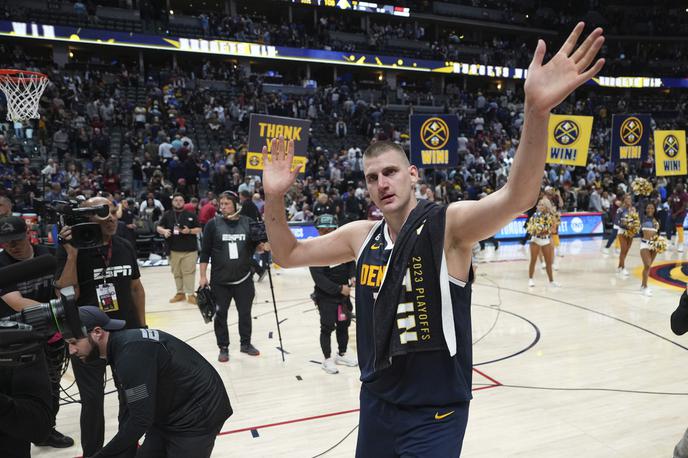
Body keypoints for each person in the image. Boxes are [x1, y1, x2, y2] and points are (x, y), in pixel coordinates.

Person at [262, 22, 604, 456]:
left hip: (435, 413)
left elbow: (519, 196)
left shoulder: (448, 226)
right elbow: (287, 254)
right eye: (372, 178)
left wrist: (536, 113)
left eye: (390, 172)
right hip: (378, 403)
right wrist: (273, 198)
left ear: (413, 175)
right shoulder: (359, 237)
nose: (382, 183)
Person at [65, 306, 232, 458]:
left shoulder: (130, 357)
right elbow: (129, 408)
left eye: (74, 342)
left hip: (197, 416)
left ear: (97, 332)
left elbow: (140, 420)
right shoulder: (120, 347)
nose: (72, 351)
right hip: (168, 412)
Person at [54, 196, 147, 457]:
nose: (112, 218)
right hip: (87, 337)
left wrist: (141, 326)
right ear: (88, 219)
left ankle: (128, 449)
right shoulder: (73, 248)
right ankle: (93, 453)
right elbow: (67, 291)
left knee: (130, 396)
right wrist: (71, 255)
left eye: (113, 212)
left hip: (123, 332)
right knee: (92, 401)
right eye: (103, 214)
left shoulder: (125, 245)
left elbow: (136, 288)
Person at [0, 216, 74, 449]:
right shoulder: (2, 264)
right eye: (6, 241)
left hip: (50, 333)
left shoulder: (47, 254)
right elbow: (16, 302)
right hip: (14, 341)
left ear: (29, 234)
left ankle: (46, 430)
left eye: (17, 240)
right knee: (18, 392)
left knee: (51, 386)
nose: (12, 245)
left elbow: (64, 287)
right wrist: (56, 315)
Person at [200, 191, 262, 362]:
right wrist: (203, 276)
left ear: (236, 205)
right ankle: (223, 347)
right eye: (221, 204)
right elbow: (205, 253)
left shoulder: (248, 223)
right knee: (220, 315)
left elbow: (257, 246)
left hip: (244, 279)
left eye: (227, 203)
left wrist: (264, 246)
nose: (223, 207)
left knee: (245, 313)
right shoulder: (212, 225)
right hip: (220, 281)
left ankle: (246, 344)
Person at [308, 214, 357, 374]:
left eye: (330, 229)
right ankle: (327, 359)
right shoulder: (314, 250)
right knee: (327, 327)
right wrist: (339, 289)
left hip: (343, 298)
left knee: (344, 325)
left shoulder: (342, 246)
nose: (327, 232)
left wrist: (353, 275)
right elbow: (319, 279)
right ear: (318, 230)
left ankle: (341, 354)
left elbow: (350, 262)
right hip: (326, 298)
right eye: (323, 230)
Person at [156, 193, 201, 304]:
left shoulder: (191, 214)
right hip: (173, 249)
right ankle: (180, 293)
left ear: (184, 202)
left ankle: (190, 295)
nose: (178, 202)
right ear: (172, 202)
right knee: (177, 273)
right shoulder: (167, 214)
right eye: (176, 200)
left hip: (190, 250)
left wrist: (189, 231)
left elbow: (199, 229)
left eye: (180, 200)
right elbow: (158, 227)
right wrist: (164, 231)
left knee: (189, 272)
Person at [526, 197, 558, 288]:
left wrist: (548, 230)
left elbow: (553, 230)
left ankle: (551, 281)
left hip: (546, 240)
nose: (539, 206)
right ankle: (530, 280)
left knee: (548, 262)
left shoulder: (551, 217)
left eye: (542, 204)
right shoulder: (535, 216)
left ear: (546, 206)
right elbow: (530, 230)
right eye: (539, 204)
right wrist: (538, 231)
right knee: (533, 260)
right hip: (535, 240)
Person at [639, 202, 659, 296]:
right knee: (647, 265)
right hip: (644, 245)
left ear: (654, 210)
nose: (650, 210)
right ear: (645, 209)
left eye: (652, 208)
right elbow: (640, 203)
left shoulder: (657, 220)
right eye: (648, 208)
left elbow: (657, 234)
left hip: (654, 246)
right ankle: (645, 286)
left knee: (648, 266)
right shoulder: (642, 218)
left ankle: (643, 285)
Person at [615, 194, 637, 277]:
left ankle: (619, 266)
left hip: (630, 232)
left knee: (626, 250)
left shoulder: (633, 209)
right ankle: (623, 268)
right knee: (623, 249)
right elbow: (616, 221)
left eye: (630, 199)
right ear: (624, 200)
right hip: (622, 231)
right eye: (627, 198)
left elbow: (635, 220)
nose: (629, 200)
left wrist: (634, 226)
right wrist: (625, 225)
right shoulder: (620, 210)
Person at [670, 184, 688, 252]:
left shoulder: (685, 195)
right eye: (677, 186)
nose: (677, 187)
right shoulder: (675, 194)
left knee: (679, 227)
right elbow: (671, 202)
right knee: (668, 226)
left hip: (681, 213)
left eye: (679, 187)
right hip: (674, 212)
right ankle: (670, 241)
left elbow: (684, 207)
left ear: (682, 188)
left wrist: (675, 214)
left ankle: (681, 244)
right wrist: (670, 200)